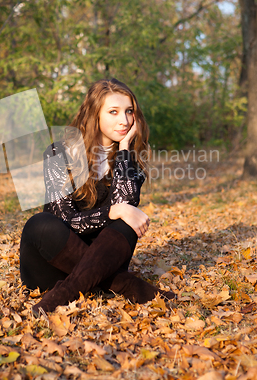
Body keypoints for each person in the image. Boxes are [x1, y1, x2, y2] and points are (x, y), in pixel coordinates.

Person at [20, 78, 175, 315]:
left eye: (129, 111)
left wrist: (124, 149)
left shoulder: (130, 161)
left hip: (102, 265)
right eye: (113, 112)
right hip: (52, 268)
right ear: (95, 114)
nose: (124, 120)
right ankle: (129, 286)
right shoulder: (58, 152)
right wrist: (113, 211)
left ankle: (65, 293)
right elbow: (65, 220)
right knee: (39, 224)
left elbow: (126, 206)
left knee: (127, 220)